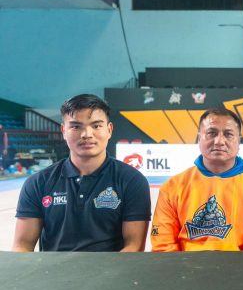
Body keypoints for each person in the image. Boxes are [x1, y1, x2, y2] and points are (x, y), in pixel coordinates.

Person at [13, 94, 151, 252]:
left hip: (110, 268)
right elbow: (22, 246)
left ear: (109, 130)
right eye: (76, 127)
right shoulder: (38, 182)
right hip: (53, 268)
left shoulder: (132, 181)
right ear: (64, 131)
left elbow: (134, 247)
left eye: (96, 126)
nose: (87, 134)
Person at [151, 107, 243, 251]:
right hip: (185, 265)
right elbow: (163, 247)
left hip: (240, 265)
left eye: (228, 134)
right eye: (211, 133)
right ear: (199, 138)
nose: (219, 141)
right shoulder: (172, 187)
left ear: (239, 141)